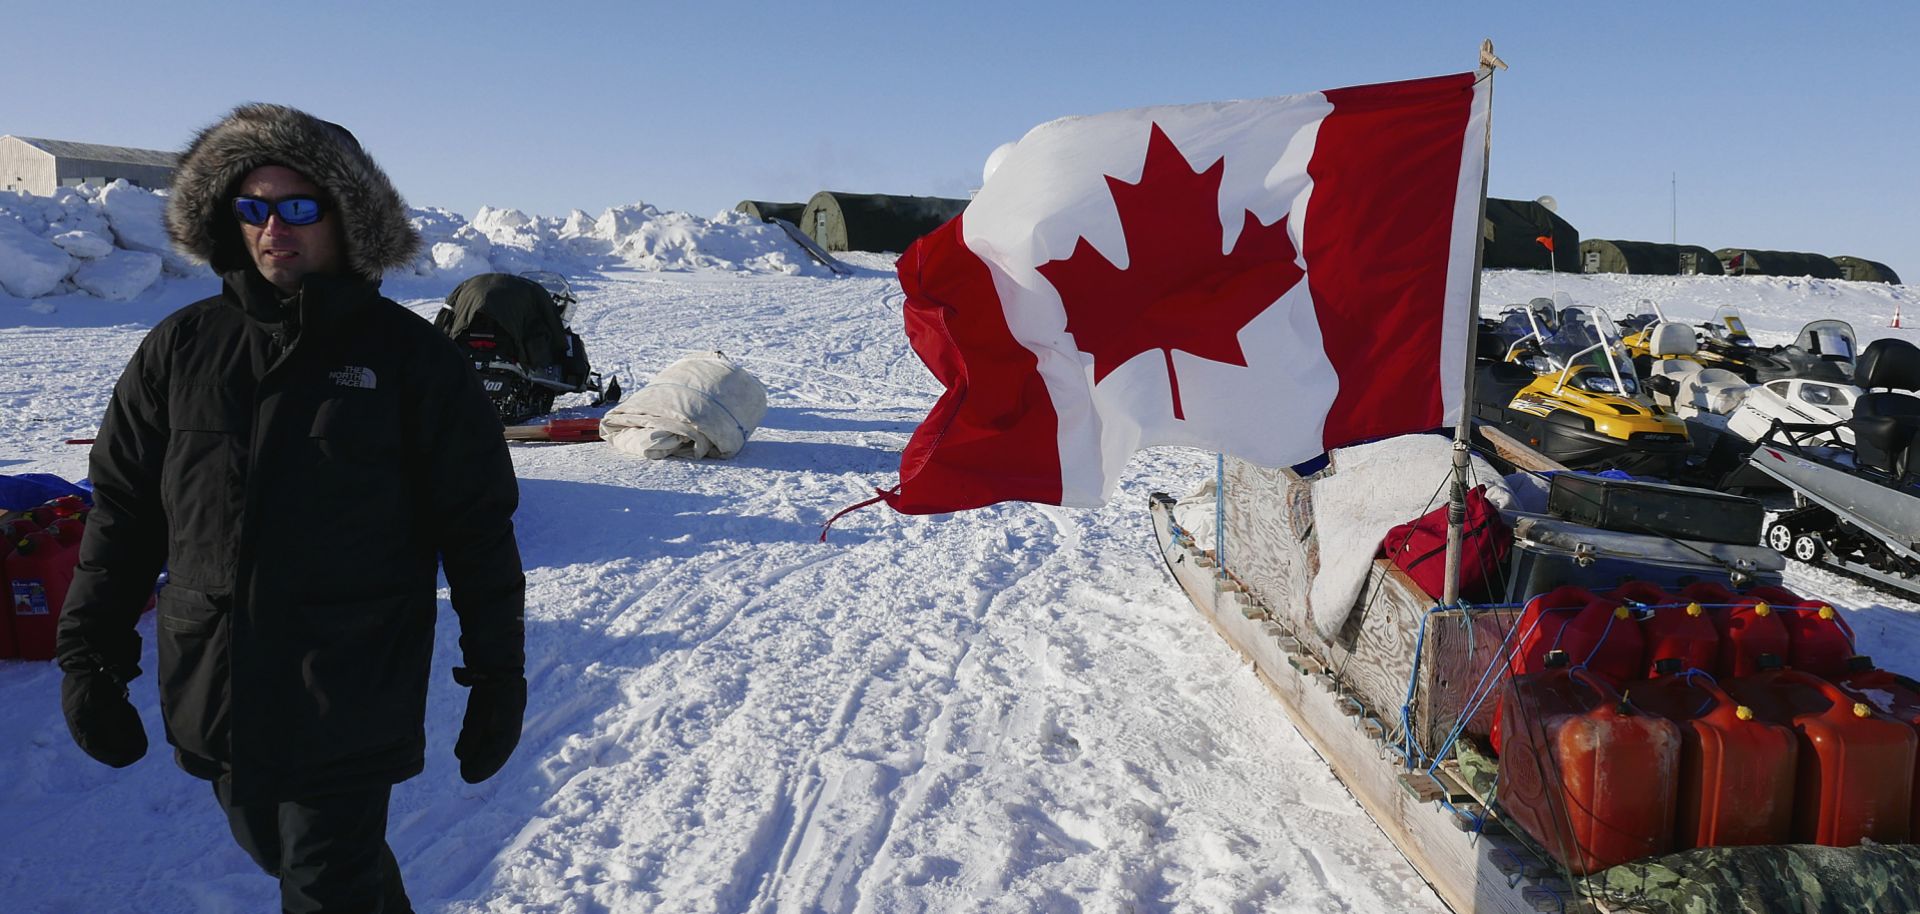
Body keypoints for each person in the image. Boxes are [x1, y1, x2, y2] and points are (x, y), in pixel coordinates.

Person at [54, 103, 527, 913]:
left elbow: (476, 529)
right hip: (218, 676)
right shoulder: (181, 347)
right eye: (254, 207)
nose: (275, 226)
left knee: (325, 878)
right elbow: (125, 511)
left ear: (350, 218)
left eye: (300, 206)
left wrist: (497, 676)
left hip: (346, 683)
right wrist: (89, 655)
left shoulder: (411, 361)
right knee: (276, 846)